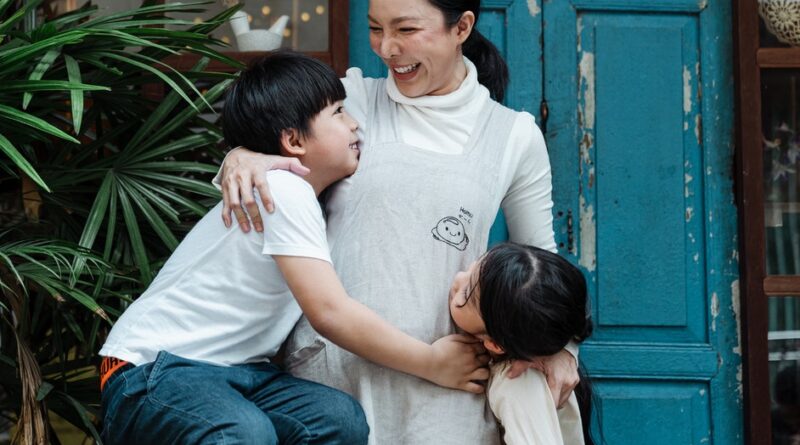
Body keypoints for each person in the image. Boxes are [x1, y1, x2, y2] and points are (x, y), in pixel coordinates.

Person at [216, 1, 580, 443]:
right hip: (332, 383)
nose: (387, 48)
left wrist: (560, 350)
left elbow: (540, 262)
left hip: (446, 390)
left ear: (462, 27)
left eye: (405, 29)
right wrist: (241, 155)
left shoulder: (513, 135)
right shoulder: (348, 101)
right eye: (375, 28)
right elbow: (274, 142)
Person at [98, 51, 488, 445]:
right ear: (294, 140)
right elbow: (329, 313)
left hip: (237, 372)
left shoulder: (307, 196)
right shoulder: (284, 191)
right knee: (243, 433)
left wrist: (241, 154)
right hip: (152, 368)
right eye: (339, 113)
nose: (354, 124)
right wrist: (431, 362)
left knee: (337, 419)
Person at [449, 243, 594, 445]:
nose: (458, 278)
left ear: (495, 344)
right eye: (472, 268)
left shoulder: (517, 382)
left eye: (466, 294)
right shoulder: (525, 360)